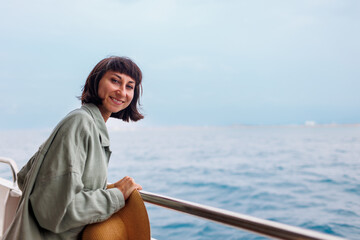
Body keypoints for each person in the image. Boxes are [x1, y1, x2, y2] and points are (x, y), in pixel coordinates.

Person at [3, 56, 143, 240]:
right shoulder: (81, 123)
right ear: (96, 81)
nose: (122, 91)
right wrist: (117, 196)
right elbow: (56, 212)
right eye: (115, 81)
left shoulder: (88, 124)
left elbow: (26, 176)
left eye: (129, 86)